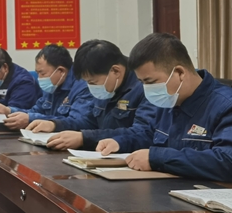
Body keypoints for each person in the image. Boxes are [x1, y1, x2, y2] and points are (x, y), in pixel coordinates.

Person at [97, 33, 232, 181]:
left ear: (179, 73)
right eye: (141, 82)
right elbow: (150, 134)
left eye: (150, 82)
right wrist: (120, 142)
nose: (146, 89)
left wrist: (157, 158)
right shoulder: (170, 100)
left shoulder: (231, 107)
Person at [29, 40, 157, 151]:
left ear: (115, 71)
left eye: (93, 82)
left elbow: (141, 133)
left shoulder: (145, 87)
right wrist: (55, 125)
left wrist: (84, 138)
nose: (90, 87)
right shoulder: (107, 87)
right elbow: (88, 121)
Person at [0, 44, 94, 131]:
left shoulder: (83, 87)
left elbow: (78, 123)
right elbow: (36, 110)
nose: (39, 78)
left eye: (42, 73)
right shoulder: (53, 85)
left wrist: (34, 120)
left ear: (61, 71)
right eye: (38, 73)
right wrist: (8, 111)